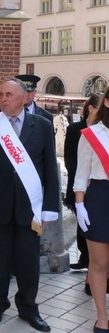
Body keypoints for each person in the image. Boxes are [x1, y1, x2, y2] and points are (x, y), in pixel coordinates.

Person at [0, 78, 60, 332]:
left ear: (24, 98)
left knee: (28, 262)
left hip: (29, 208)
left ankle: (28, 308)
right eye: (0, 94)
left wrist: (49, 206)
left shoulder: (43, 126)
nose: (3, 98)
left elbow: (49, 170)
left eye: (9, 94)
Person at [74, 87, 109, 333]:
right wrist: (79, 205)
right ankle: (102, 317)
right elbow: (81, 173)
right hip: (99, 198)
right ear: (107, 102)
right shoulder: (91, 134)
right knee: (99, 263)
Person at [64, 93, 101, 278]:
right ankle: (84, 257)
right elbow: (69, 158)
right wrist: (81, 179)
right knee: (82, 222)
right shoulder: (75, 129)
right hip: (79, 182)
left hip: (97, 186)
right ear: (91, 108)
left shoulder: (102, 130)